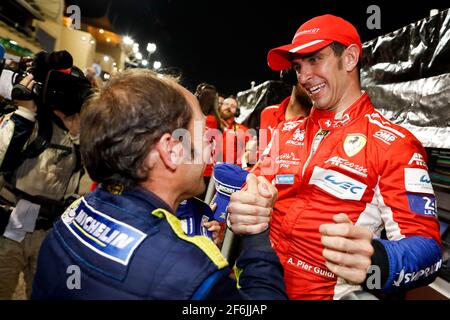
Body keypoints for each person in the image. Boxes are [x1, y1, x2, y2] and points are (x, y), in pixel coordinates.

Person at [230, 14, 442, 300]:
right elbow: (248, 196)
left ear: (350, 58)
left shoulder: (394, 144)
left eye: (315, 59)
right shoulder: (284, 131)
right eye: (297, 67)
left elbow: (428, 250)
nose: (303, 77)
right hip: (255, 288)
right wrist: (240, 210)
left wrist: (378, 259)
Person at [31, 69, 287, 300]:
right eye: (203, 133)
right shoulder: (188, 273)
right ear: (172, 150)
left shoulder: (74, 213)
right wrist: (256, 234)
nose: (212, 144)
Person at [0, 72, 84, 299]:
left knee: (45, 294)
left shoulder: (78, 132)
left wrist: (76, 133)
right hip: (11, 226)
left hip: (49, 231)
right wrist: (25, 113)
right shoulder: (24, 122)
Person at [219, 96, 249, 166]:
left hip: (230, 171)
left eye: (232, 106)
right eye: (226, 104)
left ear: (236, 111)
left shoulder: (242, 130)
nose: (229, 107)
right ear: (220, 106)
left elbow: (253, 151)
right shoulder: (209, 124)